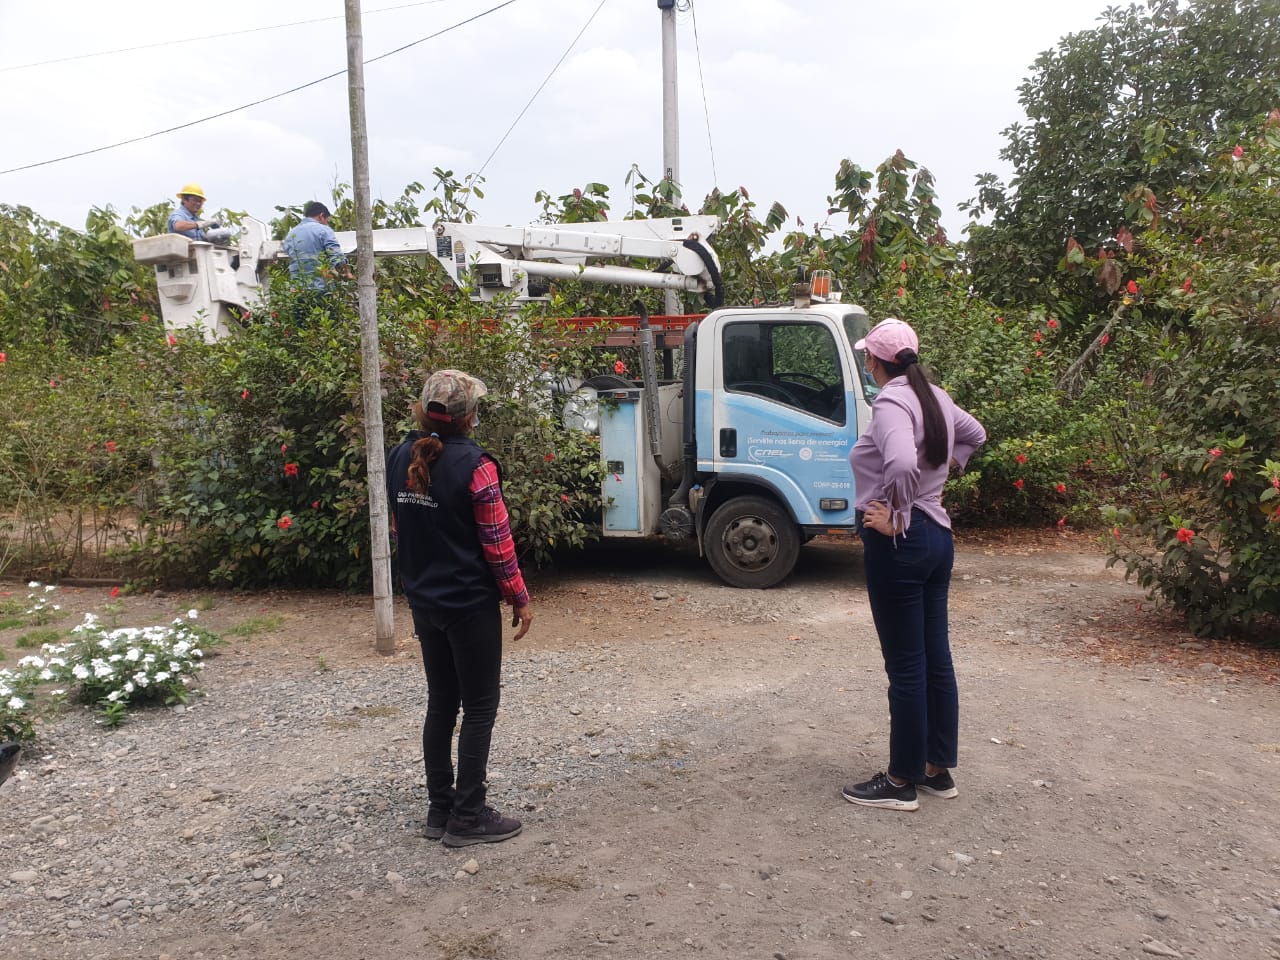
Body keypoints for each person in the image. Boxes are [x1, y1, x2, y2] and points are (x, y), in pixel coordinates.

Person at [844, 317, 986, 812]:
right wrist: (937, 482)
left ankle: (900, 780)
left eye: (867, 356)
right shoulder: (935, 396)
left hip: (901, 541)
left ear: (873, 361)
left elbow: (902, 463)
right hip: (938, 537)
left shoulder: (890, 401)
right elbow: (976, 434)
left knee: (906, 664)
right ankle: (935, 770)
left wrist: (899, 514)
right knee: (934, 658)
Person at [386, 369, 533, 847]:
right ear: (469, 416)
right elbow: (497, 542)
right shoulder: (476, 466)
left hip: (425, 602)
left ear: (422, 410)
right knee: (480, 706)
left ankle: (440, 809)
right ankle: (468, 815)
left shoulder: (398, 457)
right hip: (468, 604)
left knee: (442, 703)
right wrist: (518, 596)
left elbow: (400, 530)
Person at [283, 201, 347, 292]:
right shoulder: (324, 230)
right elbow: (337, 258)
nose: (327, 223)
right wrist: (347, 273)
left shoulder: (291, 234)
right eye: (327, 220)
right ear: (321, 216)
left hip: (297, 289)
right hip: (321, 289)